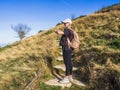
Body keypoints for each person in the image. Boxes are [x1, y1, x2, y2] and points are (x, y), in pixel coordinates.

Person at [55, 18, 75, 84]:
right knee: (69, 62)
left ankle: (66, 78)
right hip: (69, 48)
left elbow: (62, 33)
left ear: (69, 23)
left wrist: (57, 32)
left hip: (66, 48)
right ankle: (70, 76)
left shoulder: (67, 30)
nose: (64, 24)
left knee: (67, 63)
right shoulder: (71, 30)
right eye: (64, 23)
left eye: (65, 23)